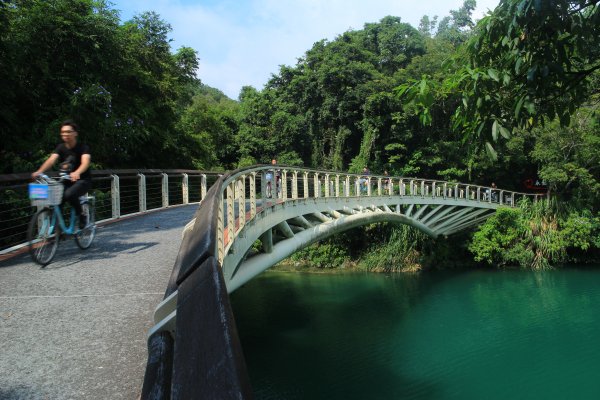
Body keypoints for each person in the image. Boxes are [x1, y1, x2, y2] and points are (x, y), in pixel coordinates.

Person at [32, 120, 92, 229]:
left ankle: (82, 215)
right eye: (63, 132)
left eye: (68, 132)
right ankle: (59, 230)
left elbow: (85, 162)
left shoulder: (83, 147)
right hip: (67, 180)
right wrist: (39, 171)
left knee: (69, 194)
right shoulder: (60, 147)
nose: (65, 134)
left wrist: (77, 172)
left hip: (83, 180)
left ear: (75, 133)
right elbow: (51, 160)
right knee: (57, 198)